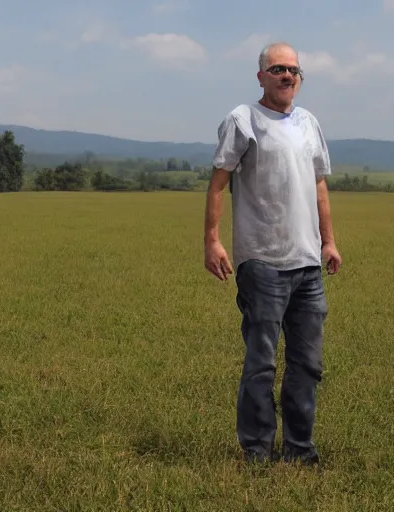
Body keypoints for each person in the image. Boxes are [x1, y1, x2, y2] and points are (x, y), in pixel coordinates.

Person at [203, 41, 342, 465]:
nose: (287, 76)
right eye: (278, 69)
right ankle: (257, 451)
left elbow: (319, 187)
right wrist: (212, 239)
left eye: (294, 70)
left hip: (307, 264)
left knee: (308, 365)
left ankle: (300, 451)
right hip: (261, 262)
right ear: (261, 76)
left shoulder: (308, 123)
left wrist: (329, 241)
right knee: (261, 363)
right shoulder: (243, 120)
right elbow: (218, 182)